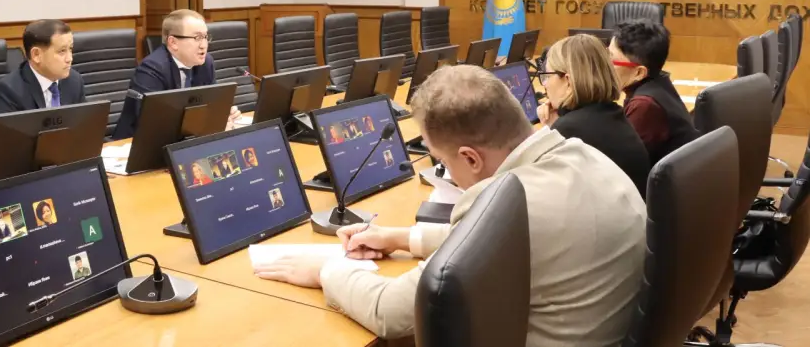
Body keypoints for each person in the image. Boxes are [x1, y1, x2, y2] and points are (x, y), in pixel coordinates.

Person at [254, 65, 646, 343]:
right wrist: (400, 238)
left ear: (471, 158)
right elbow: (497, 245)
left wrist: (326, 270)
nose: (449, 174)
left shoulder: (512, 203)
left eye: (443, 161)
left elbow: (391, 312)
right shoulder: (584, 155)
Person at [536, 34, 650, 198]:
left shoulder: (570, 129)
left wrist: (551, 132)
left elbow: (545, 192)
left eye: (547, 76)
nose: (545, 84)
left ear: (568, 81)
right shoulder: (612, 113)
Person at [112, 9, 240, 140]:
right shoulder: (151, 69)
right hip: (133, 143)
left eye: (205, 37)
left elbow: (211, 104)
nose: (203, 45)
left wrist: (222, 115)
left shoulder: (206, 63)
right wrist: (210, 127)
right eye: (197, 38)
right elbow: (154, 123)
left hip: (182, 140)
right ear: (173, 42)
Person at [610, 19, 700, 166]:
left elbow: (620, 164)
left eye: (611, 60)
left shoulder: (644, 106)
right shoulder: (659, 82)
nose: (604, 65)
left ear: (639, 72)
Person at [0, 20, 86, 115]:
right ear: (36, 55)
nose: (70, 58)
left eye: (70, 49)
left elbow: (83, 124)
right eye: (62, 51)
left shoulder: (74, 81)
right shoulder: (7, 92)